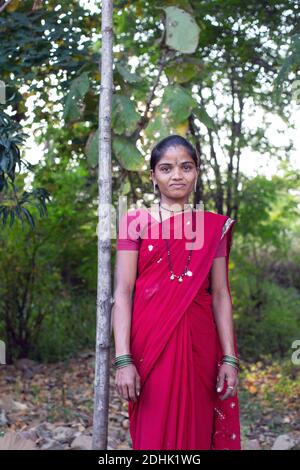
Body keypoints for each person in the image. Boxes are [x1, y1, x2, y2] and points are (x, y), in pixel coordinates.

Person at [112, 135, 241, 450]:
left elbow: (221, 295)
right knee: (152, 435)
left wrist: (229, 357)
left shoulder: (212, 228)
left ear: (196, 172)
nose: (177, 175)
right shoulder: (135, 222)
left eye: (186, 167)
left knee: (197, 432)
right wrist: (123, 359)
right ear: (154, 176)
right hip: (148, 348)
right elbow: (124, 291)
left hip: (201, 347)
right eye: (166, 168)